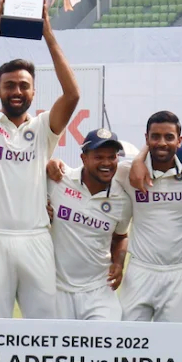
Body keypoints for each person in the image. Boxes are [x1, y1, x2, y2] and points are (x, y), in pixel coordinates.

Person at [0, 0, 79, 319]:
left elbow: (73, 95)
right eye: (9, 85)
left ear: (34, 92)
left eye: (24, 85)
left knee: (44, 326)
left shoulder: (43, 129)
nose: (17, 91)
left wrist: (48, 35)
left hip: (36, 238)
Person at [108, 112, 182, 323]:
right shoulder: (126, 172)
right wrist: (54, 166)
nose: (162, 143)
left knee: (171, 345)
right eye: (155, 137)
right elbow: (87, 173)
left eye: (169, 137)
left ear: (179, 141)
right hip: (141, 270)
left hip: (179, 273)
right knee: (129, 342)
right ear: (146, 139)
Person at [47, 129, 132, 320]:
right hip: (57, 289)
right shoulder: (59, 179)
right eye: (99, 157)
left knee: (106, 343)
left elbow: (121, 236)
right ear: (83, 158)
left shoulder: (122, 200)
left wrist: (118, 263)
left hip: (98, 290)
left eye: (112, 157)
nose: (106, 163)